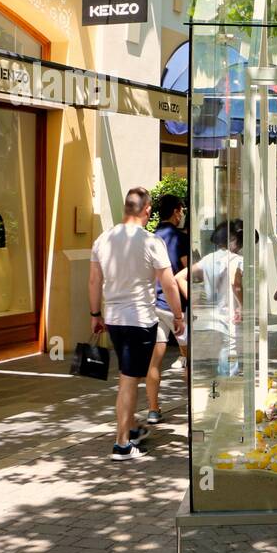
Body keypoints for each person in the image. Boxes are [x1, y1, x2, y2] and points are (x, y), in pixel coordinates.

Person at [89, 187, 183, 462]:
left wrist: (95, 314)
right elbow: (168, 282)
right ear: (147, 211)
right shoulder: (150, 241)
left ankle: (130, 426)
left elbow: (95, 281)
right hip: (140, 320)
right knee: (129, 381)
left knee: (130, 376)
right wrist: (178, 315)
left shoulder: (103, 239)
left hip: (115, 319)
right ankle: (122, 444)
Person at [145, 194, 189, 426]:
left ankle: (153, 409)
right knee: (189, 358)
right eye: (181, 210)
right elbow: (185, 271)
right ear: (176, 211)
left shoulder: (150, 238)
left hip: (153, 306)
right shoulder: (179, 238)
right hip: (174, 308)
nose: (182, 214)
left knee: (155, 361)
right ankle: (195, 405)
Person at [186, 221, 247, 379]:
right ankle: (230, 379)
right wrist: (242, 306)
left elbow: (180, 277)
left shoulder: (208, 259)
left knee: (225, 347)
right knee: (231, 347)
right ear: (233, 240)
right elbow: (236, 284)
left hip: (213, 312)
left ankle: (224, 376)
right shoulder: (236, 259)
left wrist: (191, 300)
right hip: (230, 312)